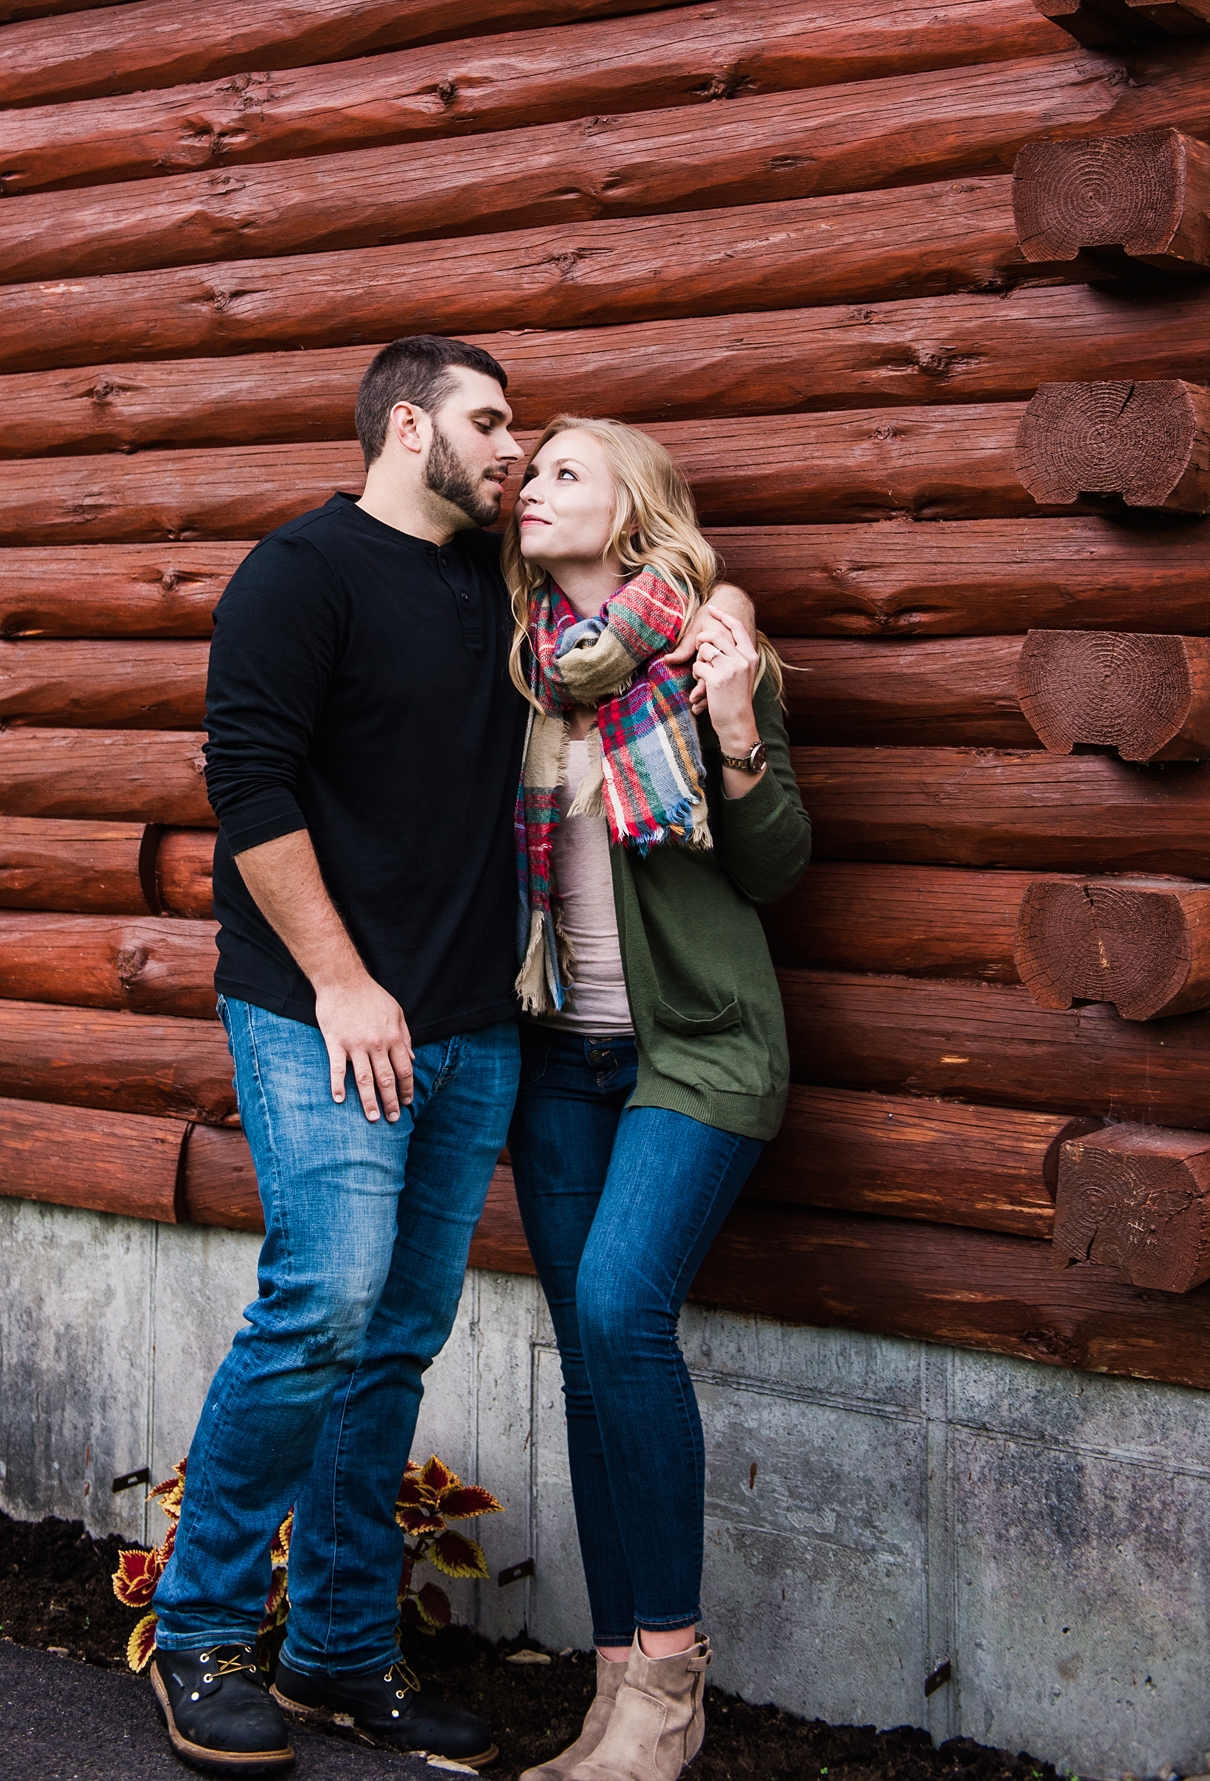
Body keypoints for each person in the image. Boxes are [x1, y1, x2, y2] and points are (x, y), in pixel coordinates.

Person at [150, 334, 529, 1775]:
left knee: (394, 1342)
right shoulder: (300, 574)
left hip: (470, 1024)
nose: (510, 446)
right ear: (406, 426)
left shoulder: (496, 585)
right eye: (488, 422)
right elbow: (244, 784)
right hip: (326, 1013)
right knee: (323, 1303)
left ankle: (338, 1657)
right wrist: (341, 982)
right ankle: (197, 1634)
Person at [502, 418, 811, 1781]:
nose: (529, 486)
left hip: (696, 1049)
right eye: (527, 469)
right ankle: (616, 1679)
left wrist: (735, 720)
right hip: (557, 1053)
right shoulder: (516, 668)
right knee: (583, 1346)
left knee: (622, 1310)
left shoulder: (698, 654)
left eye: (564, 471)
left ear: (632, 512)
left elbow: (775, 867)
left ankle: (671, 1685)